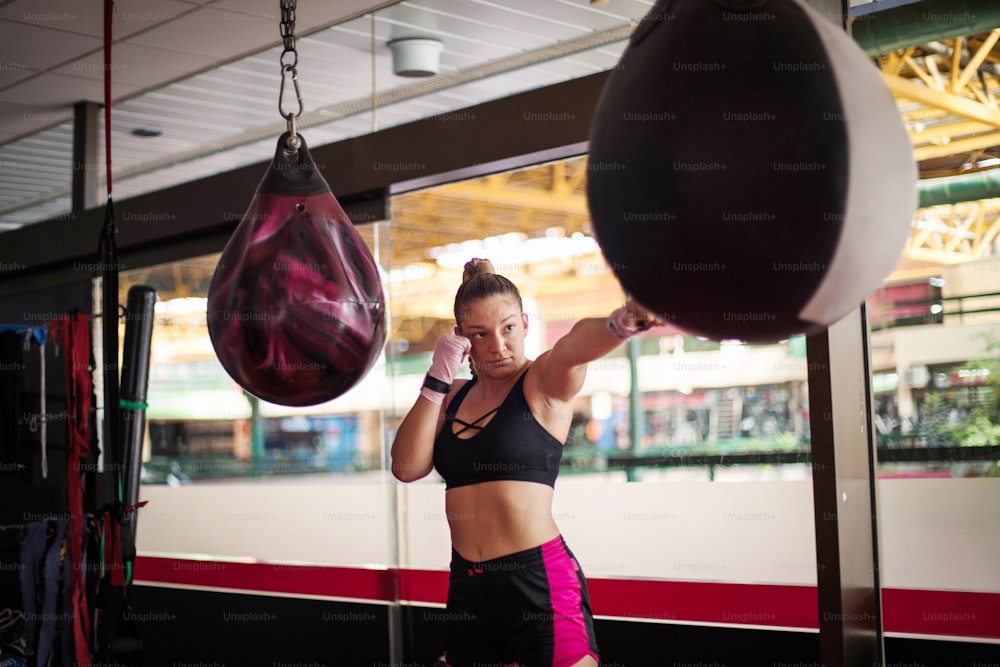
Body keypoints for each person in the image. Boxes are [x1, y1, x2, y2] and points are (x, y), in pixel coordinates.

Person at [391, 258, 662, 667]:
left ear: (525, 325)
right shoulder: (453, 397)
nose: (498, 346)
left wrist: (621, 323)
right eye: (481, 334)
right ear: (461, 338)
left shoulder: (542, 384)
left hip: (535, 580)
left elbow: (573, 346)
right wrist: (437, 376)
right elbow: (407, 467)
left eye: (508, 328)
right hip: (469, 585)